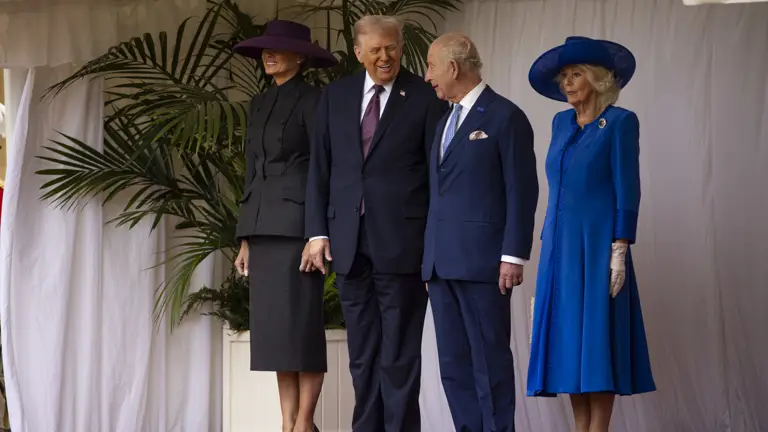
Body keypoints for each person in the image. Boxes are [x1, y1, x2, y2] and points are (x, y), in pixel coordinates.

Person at [305, 15, 448, 432]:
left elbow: (436, 175)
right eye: (376, 49)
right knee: (362, 355)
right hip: (348, 245)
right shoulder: (336, 95)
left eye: (392, 47)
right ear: (358, 52)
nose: (386, 56)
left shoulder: (423, 97)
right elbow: (321, 168)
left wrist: (433, 247)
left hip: (403, 244)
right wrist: (317, 232)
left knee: (400, 356)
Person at [526, 36, 657, 432]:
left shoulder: (620, 122)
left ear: (599, 80)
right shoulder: (559, 122)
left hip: (598, 246)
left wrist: (620, 247)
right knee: (568, 346)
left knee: (596, 344)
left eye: (576, 74)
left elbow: (627, 190)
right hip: (560, 250)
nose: (567, 83)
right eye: (564, 76)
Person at [421, 33, 539, 432]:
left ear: (453, 68)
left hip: (484, 265)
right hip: (441, 266)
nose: (427, 77)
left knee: (489, 363)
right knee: (453, 368)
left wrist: (513, 255)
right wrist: (429, 259)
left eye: (431, 66)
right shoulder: (443, 123)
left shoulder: (505, 116)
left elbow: (522, 190)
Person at [231, 19, 338, 432]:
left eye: (277, 49)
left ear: (300, 57)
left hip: (298, 228)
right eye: (265, 49)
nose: (268, 55)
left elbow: (323, 169)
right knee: (277, 336)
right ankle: (288, 423)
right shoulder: (258, 104)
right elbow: (250, 172)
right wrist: (244, 238)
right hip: (262, 228)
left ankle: (305, 423)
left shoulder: (315, 101)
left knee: (302, 330)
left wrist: (317, 231)